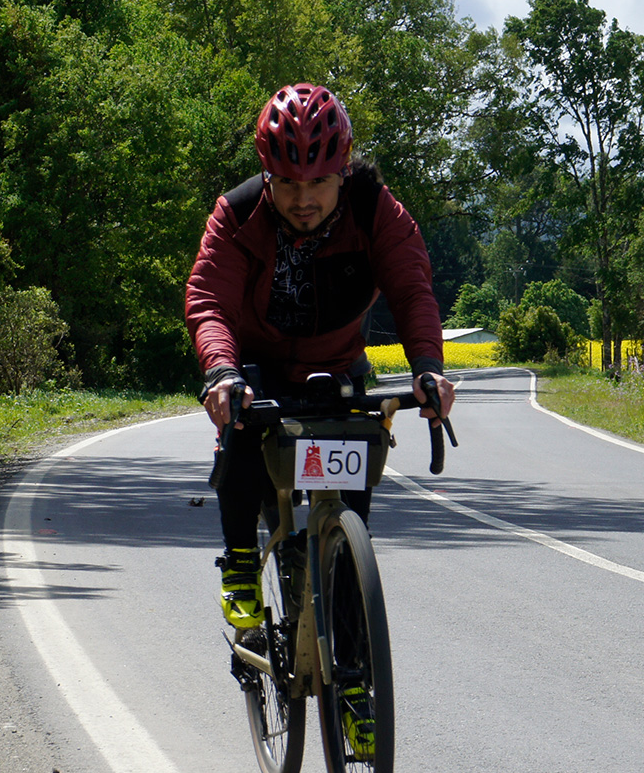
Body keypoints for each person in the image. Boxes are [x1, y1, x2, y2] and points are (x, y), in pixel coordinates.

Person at [186, 83, 454, 648]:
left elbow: (412, 290)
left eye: (319, 182)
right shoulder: (236, 214)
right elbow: (209, 299)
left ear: (344, 169)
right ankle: (240, 562)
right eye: (286, 183)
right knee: (238, 433)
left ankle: (355, 685)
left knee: (349, 549)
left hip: (337, 367)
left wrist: (427, 365)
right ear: (267, 174)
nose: (302, 198)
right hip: (258, 367)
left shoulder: (376, 210)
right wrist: (221, 372)